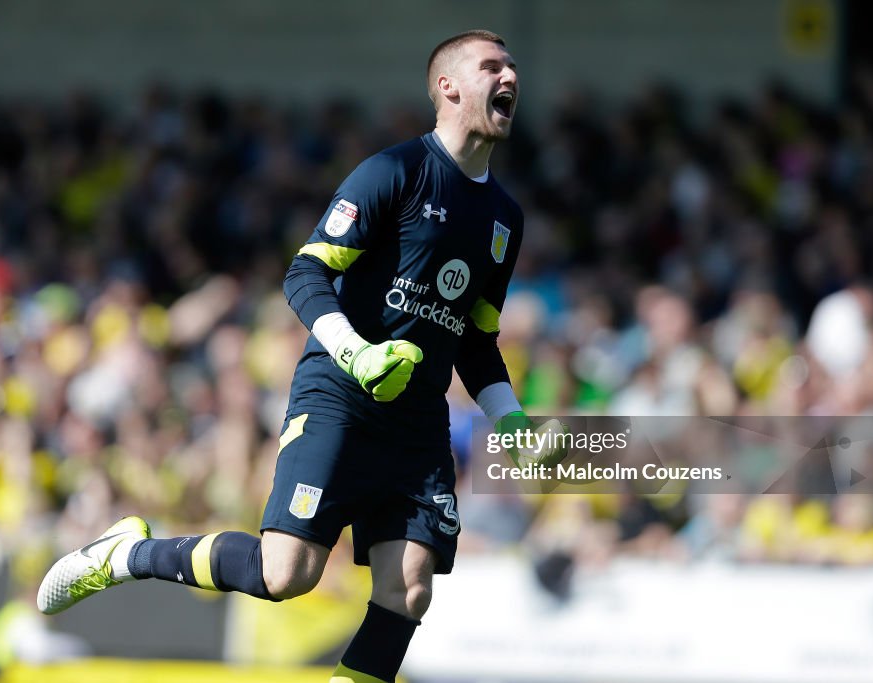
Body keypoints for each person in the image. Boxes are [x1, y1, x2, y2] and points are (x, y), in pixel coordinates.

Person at [37, 29, 527, 683]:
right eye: (492, 66)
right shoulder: (396, 172)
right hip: (342, 393)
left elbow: (475, 338)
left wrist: (514, 421)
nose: (510, 77)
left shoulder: (504, 218)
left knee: (409, 587)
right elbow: (305, 274)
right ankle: (129, 552)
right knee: (285, 573)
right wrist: (357, 354)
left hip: (416, 421)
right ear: (449, 86)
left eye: (513, 67)